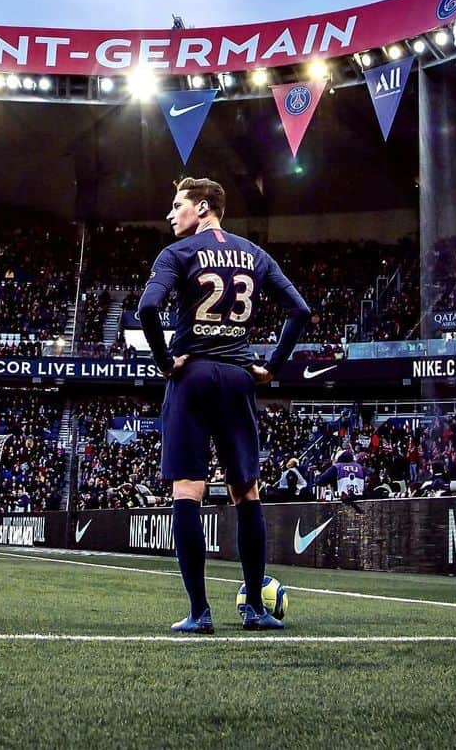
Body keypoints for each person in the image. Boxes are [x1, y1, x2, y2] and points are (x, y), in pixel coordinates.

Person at [136, 175, 311, 634]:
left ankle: (200, 613)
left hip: (192, 375)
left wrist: (165, 361)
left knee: (187, 491)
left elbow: (148, 308)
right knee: (246, 492)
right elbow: (301, 311)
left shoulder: (178, 254)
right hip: (238, 376)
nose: (171, 214)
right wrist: (272, 366)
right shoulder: (255, 254)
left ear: (205, 207)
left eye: (178, 205)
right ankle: (254, 609)